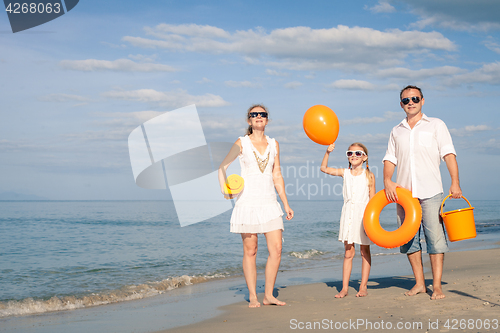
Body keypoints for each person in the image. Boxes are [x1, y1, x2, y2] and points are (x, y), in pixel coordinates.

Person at [383, 85, 462, 300]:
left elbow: (448, 154)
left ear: (422, 101)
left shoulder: (436, 125)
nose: (411, 102)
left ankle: (436, 286)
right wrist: (387, 180)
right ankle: (419, 283)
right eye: (406, 100)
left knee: (434, 239)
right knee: (409, 240)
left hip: (431, 191)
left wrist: (455, 182)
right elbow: (390, 159)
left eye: (415, 98)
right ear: (401, 104)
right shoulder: (396, 130)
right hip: (404, 194)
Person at [218, 104, 294, 308]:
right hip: (248, 202)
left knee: (276, 249)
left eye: (263, 114)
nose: (259, 117)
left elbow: (277, 174)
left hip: (270, 202)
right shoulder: (241, 142)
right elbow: (222, 166)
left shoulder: (274, 144)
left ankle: (268, 295)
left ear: (267, 120)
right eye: (254, 114)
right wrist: (225, 190)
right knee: (251, 250)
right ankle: (253, 296)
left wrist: (285, 203)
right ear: (249, 121)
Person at [320, 142, 376, 298]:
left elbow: (373, 201)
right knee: (348, 252)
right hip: (348, 215)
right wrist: (327, 152)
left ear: (364, 157)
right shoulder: (345, 173)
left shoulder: (369, 175)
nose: (353, 156)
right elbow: (323, 168)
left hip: (364, 215)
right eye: (350, 153)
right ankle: (344, 288)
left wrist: (372, 221)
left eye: (358, 153)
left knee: (365, 251)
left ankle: (363, 287)